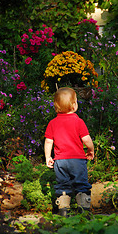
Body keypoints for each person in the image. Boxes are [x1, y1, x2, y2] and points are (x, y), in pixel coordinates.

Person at [44, 87, 94, 216]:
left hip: (60, 161)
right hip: (77, 160)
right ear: (73, 105)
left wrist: (48, 156)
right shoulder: (78, 122)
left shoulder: (52, 123)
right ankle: (84, 212)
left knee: (62, 185)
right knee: (81, 184)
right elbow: (86, 139)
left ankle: (63, 211)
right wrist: (91, 149)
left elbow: (48, 141)